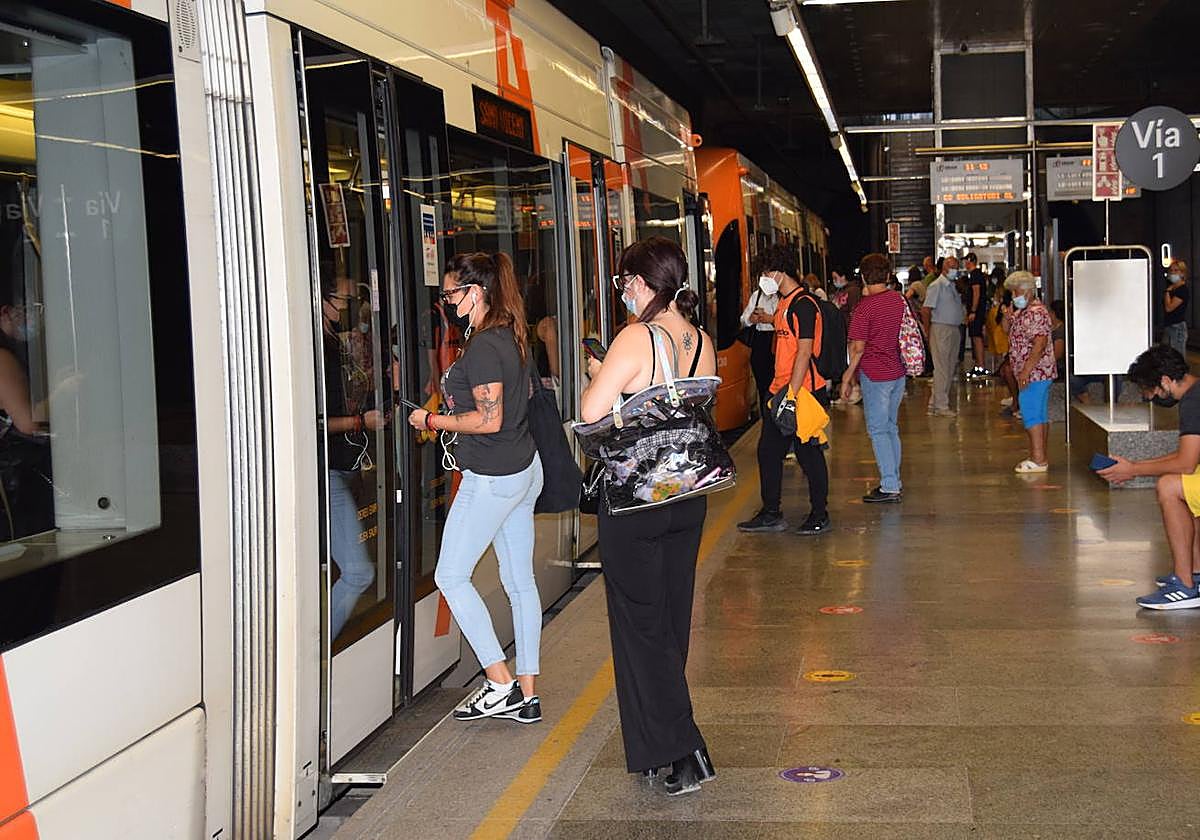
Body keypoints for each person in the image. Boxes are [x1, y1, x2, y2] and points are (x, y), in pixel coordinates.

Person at [581, 236, 717, 795]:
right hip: (689, 495)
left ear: (639, 283)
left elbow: (592, 413)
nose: (623, 295)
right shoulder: (700, 338)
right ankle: (658, 747)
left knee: (641, 630)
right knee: (668, 621)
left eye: (623, 285)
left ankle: (686, 749)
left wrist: (599, 372)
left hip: (638, 500)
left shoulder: (637, 336)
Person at [407, 251, 545, 724]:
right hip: (523, 468)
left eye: (451, 293)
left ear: (476, 291)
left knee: (450, 576)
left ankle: (500, 682)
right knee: (520, 583)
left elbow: (490, 420)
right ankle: (527, 693)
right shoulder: (510, 333)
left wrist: (430, 419)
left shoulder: (486, 345)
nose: (446, 301)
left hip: (493, 477)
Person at [738, 244, 831, 536]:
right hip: (780, 391)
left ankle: (819, 513)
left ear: (779, 271)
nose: (763, 279)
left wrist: (790, 396)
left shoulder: (804, 304)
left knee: (808, 454)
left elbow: (804, 353)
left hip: (801, 393)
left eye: (766, 273)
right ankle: (771, 512)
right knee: (768, 452)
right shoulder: (784, 303)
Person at [1099, 345, 1200, 609]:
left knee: (1170, 486)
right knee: (1184, 487)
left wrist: (1132, 470)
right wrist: (1134, 464)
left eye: (1153, 391)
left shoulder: (1193, 401)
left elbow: (1186, 463)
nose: (1153, 397)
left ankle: (1185, 586)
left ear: (1166, 381)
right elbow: (1186, 456)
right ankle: (1196, 574)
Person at [841, 253, 907, 503]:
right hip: (897, 372)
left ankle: (890, 485)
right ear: (888, 275)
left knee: (878, 431)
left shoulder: (865, 308)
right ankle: (894, 479)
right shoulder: (898, 300)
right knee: (891, 427)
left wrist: (847, 378)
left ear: (863, 277)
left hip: (875, 374)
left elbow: (857, 348)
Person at [1005, 271, 1056, 473]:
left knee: (1031, 412)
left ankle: (1038, 458)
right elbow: (1007, 330)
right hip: (1035, 372)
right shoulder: (1023, 312)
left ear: (1026, 291)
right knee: (1040, 413)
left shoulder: (1036, 312)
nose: (1013, 297)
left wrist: (1026, 371)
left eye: (1015, 292)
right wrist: (1008, 318)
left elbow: (1040, 342)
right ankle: (1039, 455)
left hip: (1035, 372)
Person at [921, 256, 965, 416]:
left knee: (949, 366)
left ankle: (934, 403)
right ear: (945, 268)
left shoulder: (951, 286)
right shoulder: (936, 285)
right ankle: (941, 405)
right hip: (941, 329)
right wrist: (927, 331)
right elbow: (926, 310)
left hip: (953, 329)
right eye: (953, 267)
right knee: (942, 369)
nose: (956, 270)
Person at [740, 271, 780, 402]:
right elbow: (744, 319)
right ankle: (765, 412)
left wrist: (771, 319)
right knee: (762, 383)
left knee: (776, 381)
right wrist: (752, 319)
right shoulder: (756, 296)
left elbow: (787, 322)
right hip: (759, 341)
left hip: (776, 340)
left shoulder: (780, 297)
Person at [964, 252, 989, 378]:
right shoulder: (977, 275)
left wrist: (973, 311)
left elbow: (976, 293)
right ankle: (979, 364)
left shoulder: (975, 275)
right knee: (975, 337)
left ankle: (980, 365)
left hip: (976, 312)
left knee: (976, 337)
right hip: (978, 311)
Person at [1163, 259, 1189, 356]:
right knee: (1166, 356)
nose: (1173, 273)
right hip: (1169, 326)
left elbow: (1169, 308)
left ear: (1182, 273)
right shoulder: (1173, 288)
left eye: (1176, 270)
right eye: (1171, 270)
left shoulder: (1182, 290)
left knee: (1177, 358)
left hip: (1177, 327)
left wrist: (1167, 292)